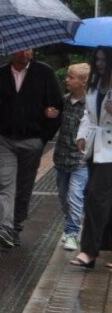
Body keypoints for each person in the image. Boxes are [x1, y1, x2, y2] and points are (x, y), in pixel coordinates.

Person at [0, 48, 61, 247]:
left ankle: (16, 224)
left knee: (24, 185)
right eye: (20, 49)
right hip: (3, 139)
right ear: (11, 51)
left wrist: (44, 138)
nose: (24, 52)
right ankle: (5, 227)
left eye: (28, 48)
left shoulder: (44, 73)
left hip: (32, 140)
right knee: (4, 184)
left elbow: (57, 106)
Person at [71, 47, 112, 270]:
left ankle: (88, 250)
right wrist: (81, 136)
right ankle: (100, 249)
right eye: (97, 59)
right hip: (95, 148)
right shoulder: (94, 85)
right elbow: (88, 114)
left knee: (96, 197)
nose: (100, 63)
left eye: (104, 59)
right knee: (104, 200)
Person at [53, 63, 90, 251]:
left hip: (80, 160)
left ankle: (72, 233)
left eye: (71, 77)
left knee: (75, 195)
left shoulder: (91, 104)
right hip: (61, 157)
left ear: (84, 82)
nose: (66, 79)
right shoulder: (64, 101)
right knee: (63, 196)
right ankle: (73, 222)